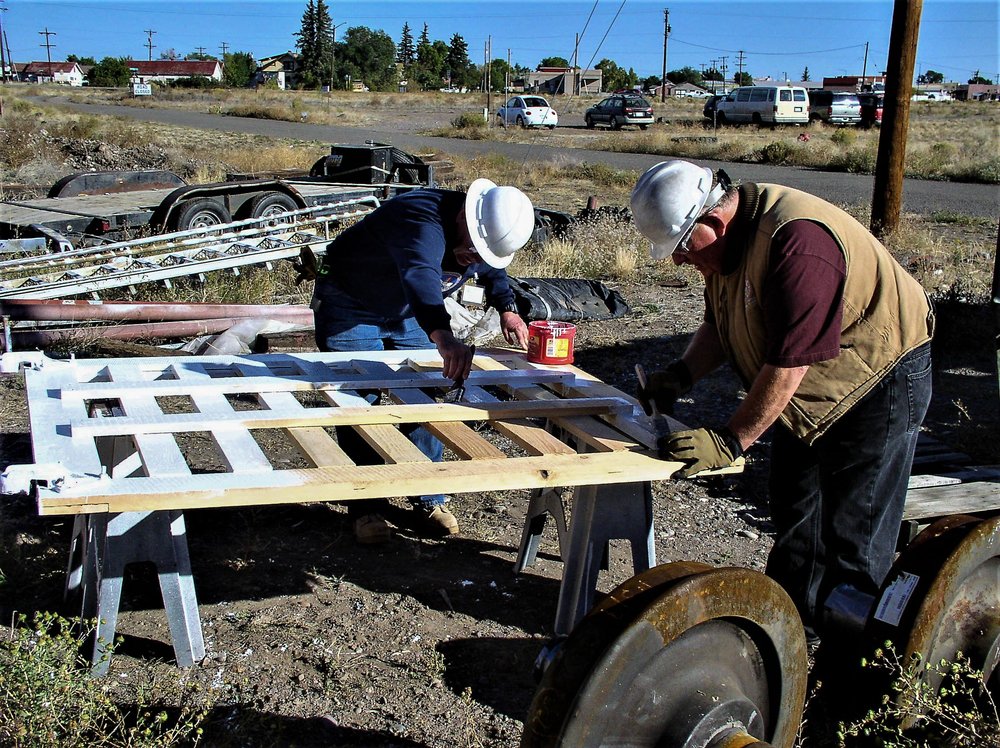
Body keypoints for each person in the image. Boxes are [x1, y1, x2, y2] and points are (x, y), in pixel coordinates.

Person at [630, 159, 934, 652]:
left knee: (854, 539)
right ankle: (793, 647)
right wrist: (679, 375)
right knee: (797, 522)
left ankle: (856, 670)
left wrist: (730, 440)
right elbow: (721, 324)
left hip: (880, 379)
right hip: (809, 388)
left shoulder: (798, 244)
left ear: (713, 221)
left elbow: (788, 365)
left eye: (683, 247)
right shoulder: (727, 249)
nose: (679, 261)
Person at [311, 179, 534, 543]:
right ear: (465, 215)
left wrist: (507, 307)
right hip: (350, 301)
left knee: (423, 394)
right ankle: (366, 504)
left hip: (407, 308)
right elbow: (420, 274)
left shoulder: (481, 236)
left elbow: (493, 268)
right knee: (360, 400)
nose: (473, 258)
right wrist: (443, 336)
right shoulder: (420, 219)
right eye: (473, 249)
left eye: (482, 254)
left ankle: (428, 496)